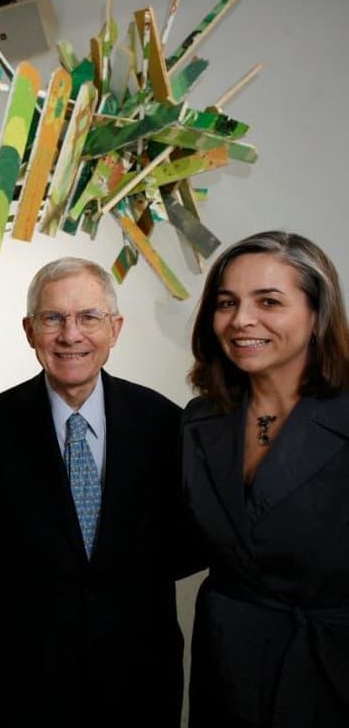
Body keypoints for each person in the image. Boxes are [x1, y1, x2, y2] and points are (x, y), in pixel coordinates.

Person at [0, 257, 187, 727]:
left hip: (140, 677)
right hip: (26, 682)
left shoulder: (166, 423)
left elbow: (193, 537)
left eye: (88, 317)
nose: (71, 335)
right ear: (29, 330)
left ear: (115, 328)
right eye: (53, 318)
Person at [182, 231, 349, 727]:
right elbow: (176, 543)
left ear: (317, 315)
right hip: (228, 669)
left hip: (330, 674)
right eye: (227, 302)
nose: (241, 321)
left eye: (269, 301)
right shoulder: (199, 420)